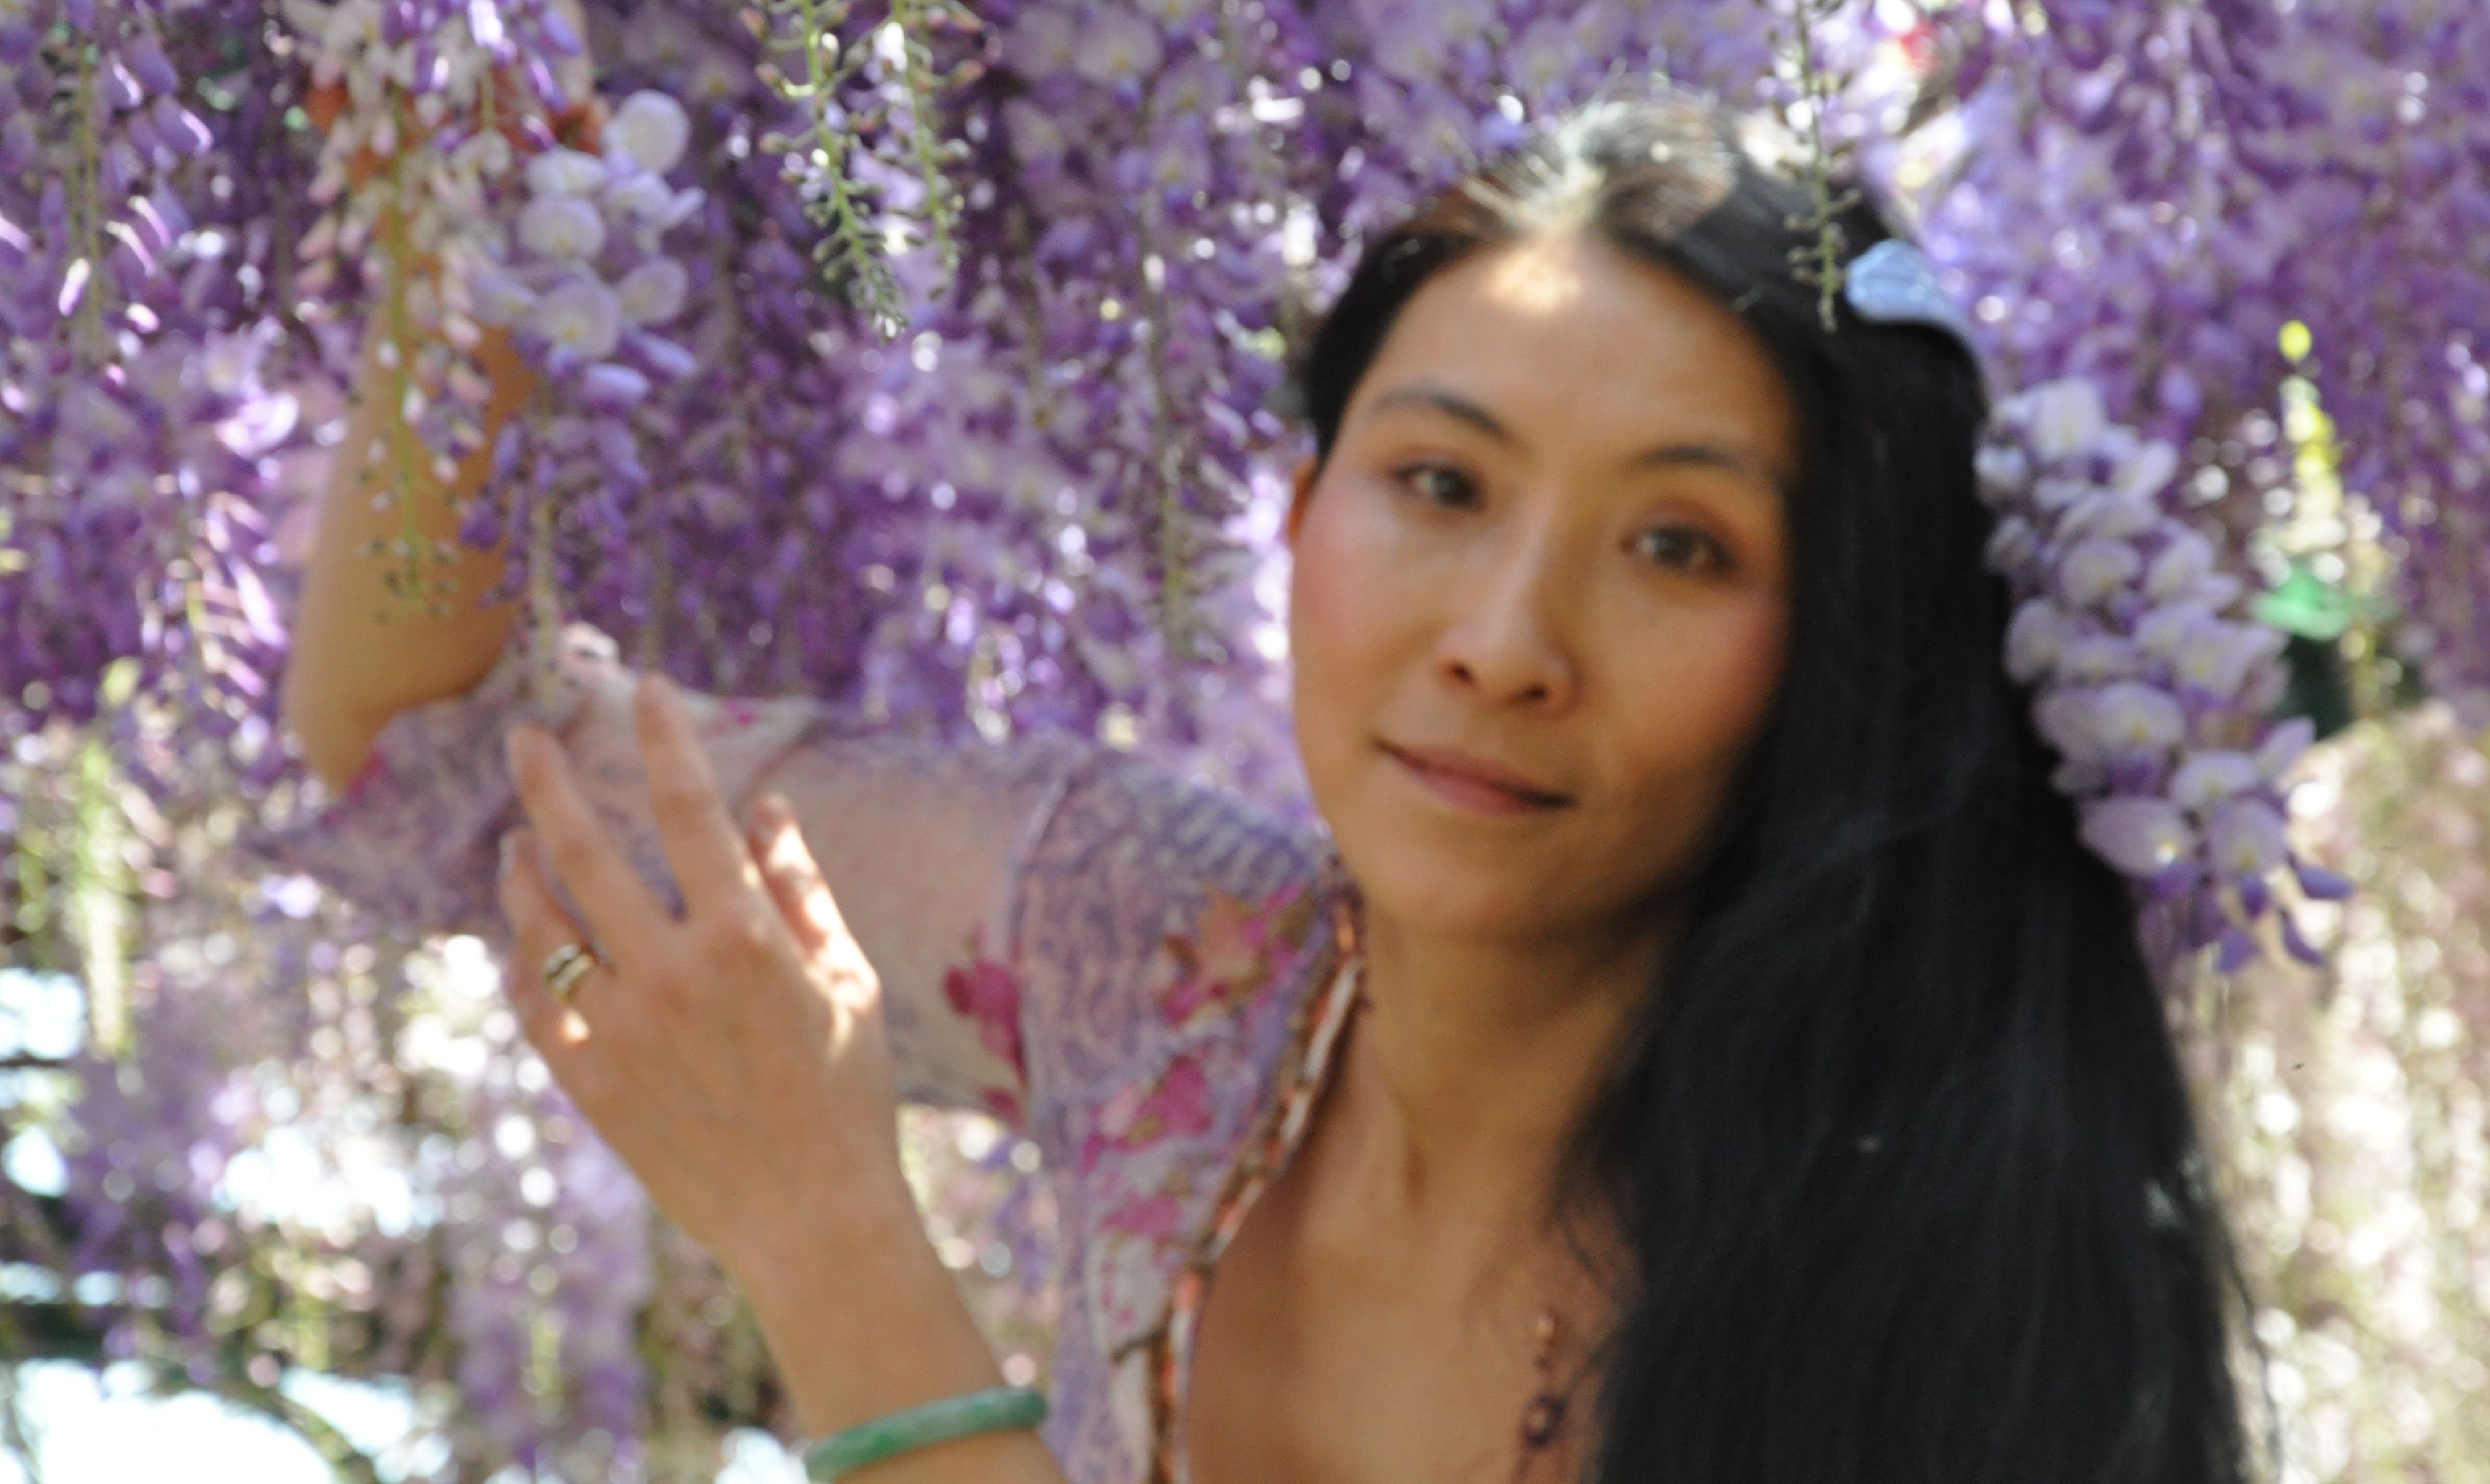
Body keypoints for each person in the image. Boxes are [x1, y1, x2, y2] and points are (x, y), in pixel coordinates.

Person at [277, 91, 2252, 1484]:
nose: (1503, 639)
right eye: (1441, 486)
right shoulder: (1159, 950)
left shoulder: (1929, 1272)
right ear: (1299, 521)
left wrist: (820, 1240)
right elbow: (442, 759)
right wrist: (462, 246)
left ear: (1842, 647)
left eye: (1682, 549)